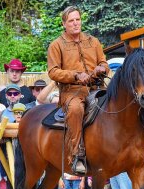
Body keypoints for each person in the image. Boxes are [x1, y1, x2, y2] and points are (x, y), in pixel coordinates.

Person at [47, 6, 109, 174]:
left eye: (77, 19)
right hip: (72, 91)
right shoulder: (56, 45)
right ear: (64, 24)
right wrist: (75, 75)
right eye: (71, 21)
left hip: (97, 87)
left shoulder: (93, 41)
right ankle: (77, 155)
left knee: (117, 104)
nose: (75, 23)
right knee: (75, 109)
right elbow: (53, 71)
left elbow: (104, 63)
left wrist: (101, 69)